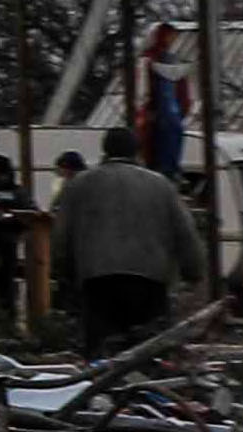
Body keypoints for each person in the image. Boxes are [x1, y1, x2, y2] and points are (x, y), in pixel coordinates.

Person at [47, 137, 206, 363]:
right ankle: (142, 387)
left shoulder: (79, 185)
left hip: (98, 280)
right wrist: (193, 271)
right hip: (149, 280)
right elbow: (184, 231)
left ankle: (104, 390)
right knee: (147, 349)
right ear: (137, 152)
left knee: (101, 353)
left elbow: (61, 234)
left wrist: (62, 272)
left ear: (105, 150)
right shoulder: (160, 185)